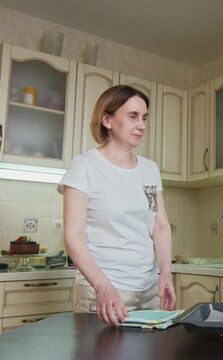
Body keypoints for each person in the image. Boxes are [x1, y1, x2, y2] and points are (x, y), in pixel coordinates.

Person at [59, 85, 175, 326]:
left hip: (150, 291)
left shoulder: (149, 169)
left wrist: (165, 273)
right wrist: (102, 286)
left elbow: (160, 225)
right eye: (133, 116)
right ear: (107, 119)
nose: (142, 125)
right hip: (106, 293)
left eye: (144, 117)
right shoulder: (85, 166)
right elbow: (73, 238)